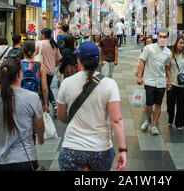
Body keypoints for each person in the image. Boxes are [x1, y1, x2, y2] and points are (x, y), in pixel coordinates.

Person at [57, 42, 127, 171]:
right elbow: (116, 120)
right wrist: (122, 150)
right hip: (101, 149)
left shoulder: (66, 83)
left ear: (79, 61)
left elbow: (61, 117)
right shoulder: (110, 84)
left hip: (72, 148)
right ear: (98, 61)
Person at [137, 28, 172, 136]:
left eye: (164, 37)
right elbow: (142, 62)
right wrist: (139, 76)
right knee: (148, 105)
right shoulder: (149, 48)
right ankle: (148, 119)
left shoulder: (168, 52)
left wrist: (169, 82)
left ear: (167, 38)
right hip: (149, 80)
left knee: (158, 104)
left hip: (161, 82)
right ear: (157, 36)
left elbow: (167, 69)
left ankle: (154, 125)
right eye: (160, 36)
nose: (162, 39)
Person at [167, 35, 184, 131]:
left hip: (182, 84)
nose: (182, 45)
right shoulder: (170, 55)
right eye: (180, 43)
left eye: (183, 43)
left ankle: (179, 123)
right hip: (172, 84)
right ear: (175, 44)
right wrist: (168, 80)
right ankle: (170, 118)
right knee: (170, 104)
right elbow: (167, 69)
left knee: (181, 105)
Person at [36, 28, 62, 114]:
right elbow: (59, 59)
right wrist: (54, 65)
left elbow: (34, 54)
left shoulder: (39, 43)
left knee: (44, 88)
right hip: (51, 71)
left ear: (43, 34)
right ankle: (51, 104)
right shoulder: (54, 45)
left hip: (41, 70)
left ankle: (48, 106)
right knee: (46, 87)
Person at [21, 41, 49, 113]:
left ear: (22, 51)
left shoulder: (18, 65)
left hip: (20, 100)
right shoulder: (41, 66)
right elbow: (44, 88)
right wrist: (45, 103)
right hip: (36, 100)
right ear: (35, 51)